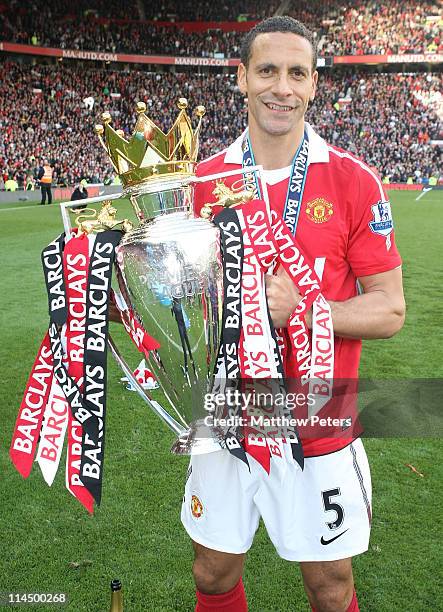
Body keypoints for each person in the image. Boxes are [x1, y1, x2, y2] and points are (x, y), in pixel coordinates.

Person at [182, 16, 406, 612]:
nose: (282, 87)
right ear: (241, 78)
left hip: (319, 410)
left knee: (330, 585)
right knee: (213, 570)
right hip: (231, 409)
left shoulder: (355, 180)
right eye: (267, 71)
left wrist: (307, 309)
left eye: (296, 74)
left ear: (312, 87)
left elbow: (389, 309)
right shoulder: (202, 181)